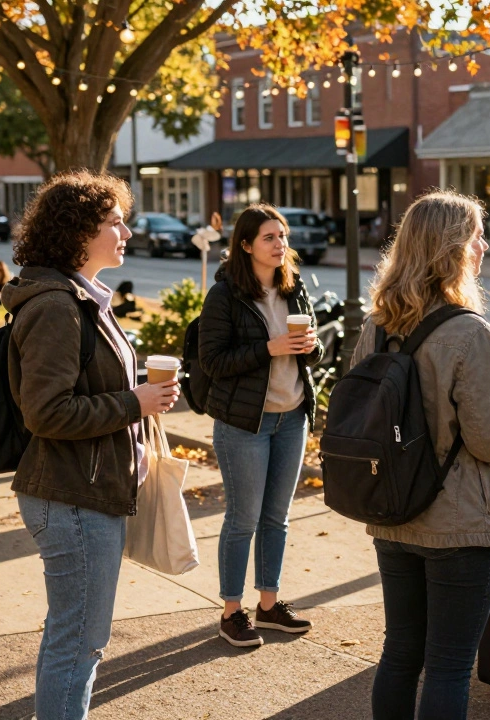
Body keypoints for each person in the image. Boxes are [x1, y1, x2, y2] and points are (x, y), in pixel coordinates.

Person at [3, 171, 180, 719]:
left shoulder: (83, 299)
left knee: (79, 639)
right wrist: (136, 405)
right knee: (78, 643)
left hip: (86, 487)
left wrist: (135, 435)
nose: (126, 230)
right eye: (114, 222)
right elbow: (47, 411)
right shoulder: (58, 306)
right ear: (78, 232)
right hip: (71, 497)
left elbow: (87, 392)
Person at [350, 190, 490, 720]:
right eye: (476, 237)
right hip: (459, 521)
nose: (483, 246)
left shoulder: (378, 325)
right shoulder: (468, 331)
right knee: (449, 666)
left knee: (400, 654)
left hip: (392, 510)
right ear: (452, 249)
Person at [198, 203, 322, 648]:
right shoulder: (225, 295)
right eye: (269, 238)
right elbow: (212, 362)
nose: (280, 245)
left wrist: (309, 348)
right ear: (246, 245)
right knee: (242, 518)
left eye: (283, 236)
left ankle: (269, 605)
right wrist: (267, 348)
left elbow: (313, 354)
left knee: (277, 518)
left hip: (291, 418)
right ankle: (232, 612)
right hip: (244, 424)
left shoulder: (294, 287)